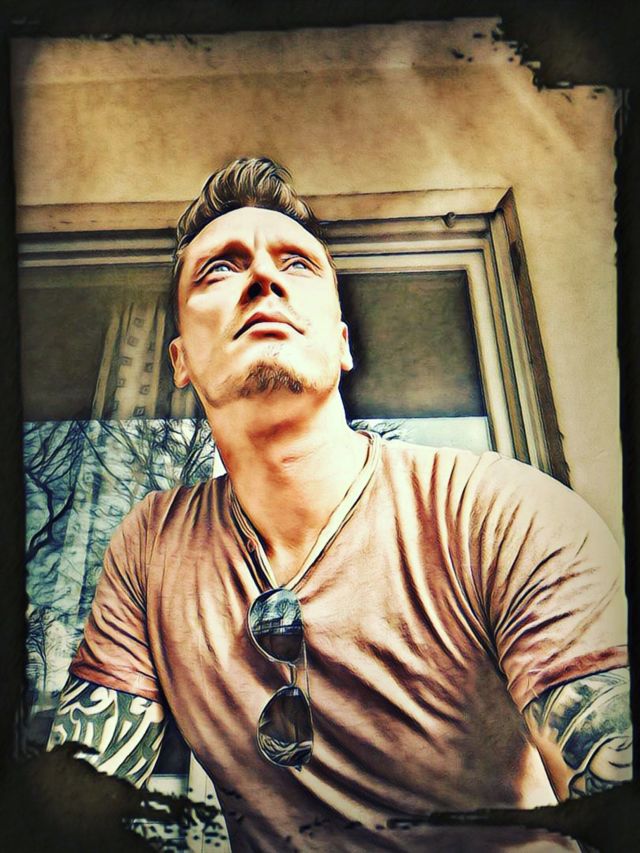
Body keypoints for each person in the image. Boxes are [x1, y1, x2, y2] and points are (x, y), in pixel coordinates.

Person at [49, 157, 631, 851]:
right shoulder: (151, 548)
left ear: (342, 343)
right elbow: (77, 811)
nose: (263, 279)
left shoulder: (501, 514)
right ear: (179, 361)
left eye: (296, 265)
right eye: (219, 269)